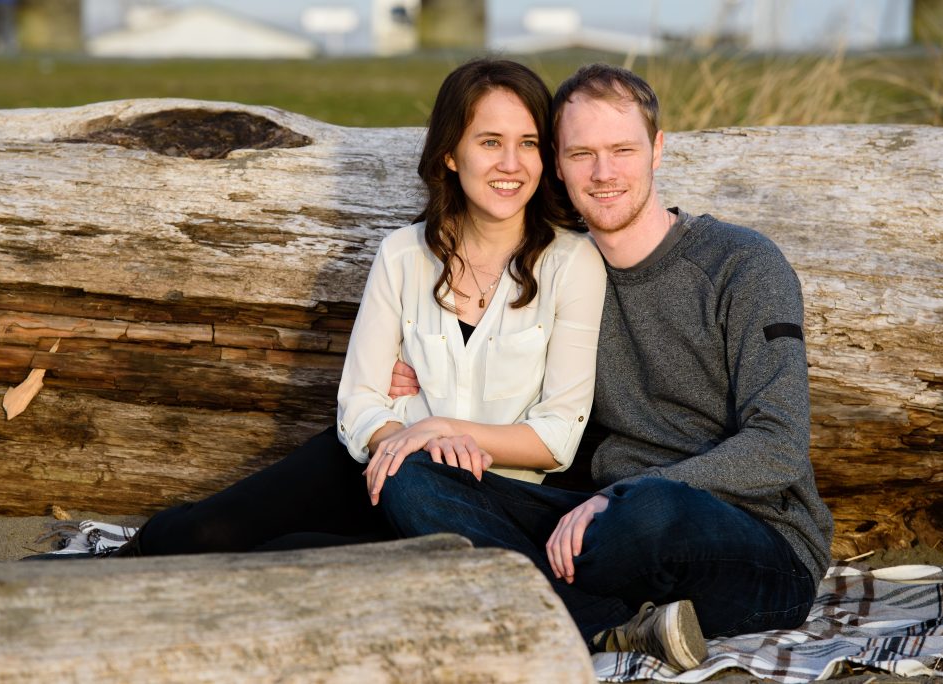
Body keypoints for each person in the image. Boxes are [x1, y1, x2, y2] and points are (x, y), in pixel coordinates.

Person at [379, 63, 834, 672]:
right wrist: (413, 386)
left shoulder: (742, 265)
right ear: (558, 168)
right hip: (598, 528)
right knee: (414, 477)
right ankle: (610, 626)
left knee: (648, 515)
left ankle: (543, 603)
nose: (603, 173)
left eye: (622, 149)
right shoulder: (559, 274)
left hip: (750, 541)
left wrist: (625, 494)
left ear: (658, 150)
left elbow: (778, 448)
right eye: (582, 153)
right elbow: (523, 396)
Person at [88, 58, 606, 558]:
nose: (510, 164)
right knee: (202, 533)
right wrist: (408, 439)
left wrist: (445, 429)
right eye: (490, 141)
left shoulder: (571, 264)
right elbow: (357, 403)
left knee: (287, 558)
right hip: (381, 464)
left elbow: (557, 437)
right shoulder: (404, 255)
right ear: (450, 153)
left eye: (529, 144)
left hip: (481, 500)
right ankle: (111, 563)